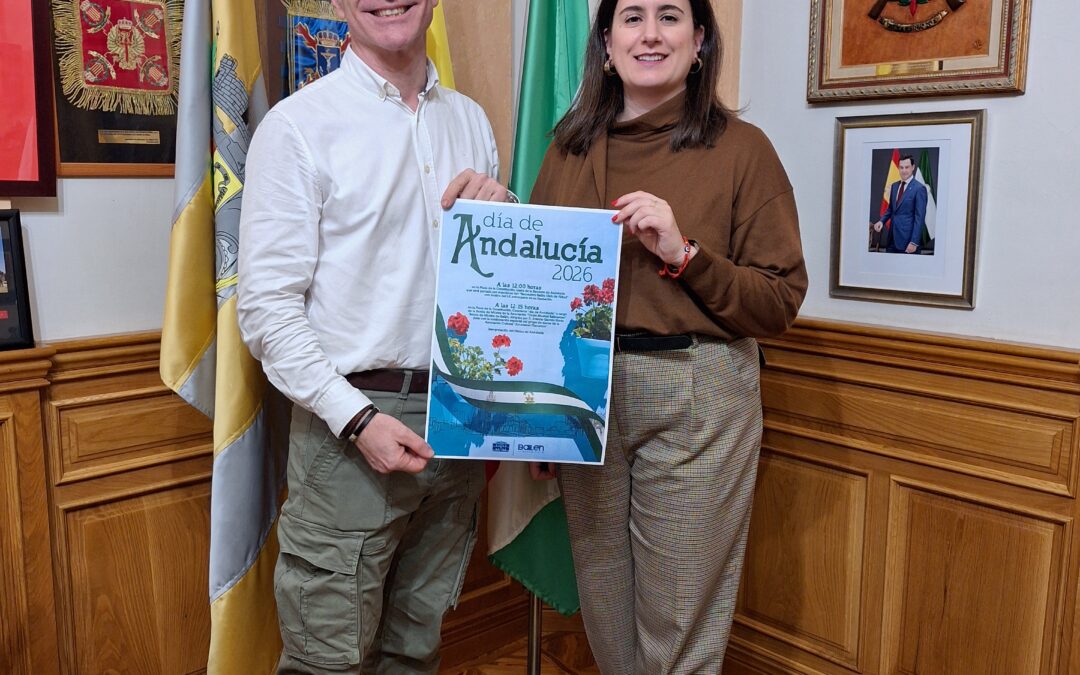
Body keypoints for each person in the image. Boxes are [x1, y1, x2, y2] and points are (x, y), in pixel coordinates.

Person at [526, 0, 807, 672]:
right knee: (606, 616)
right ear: (606, 41)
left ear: (700, 39)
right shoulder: (568, 147)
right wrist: (535, 416)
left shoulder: (742, 150)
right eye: (632, 17)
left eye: (670, 16)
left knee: (677, 627)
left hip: (694, 392)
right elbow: (538, 290)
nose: (650, 34)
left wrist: (686, 254)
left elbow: (779, 299)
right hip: (585, 396)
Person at [236, 1, 510, 672]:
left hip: (460, 417)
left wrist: (505, 217)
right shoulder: (298, 127)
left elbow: (495, 290)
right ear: (334, 3)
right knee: (326, 659)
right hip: (349, 430)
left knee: (415, 649)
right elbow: (267, 309)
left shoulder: (470, 121)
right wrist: (358, 421)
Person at [871, 154, 928, 254]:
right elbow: (891, 209)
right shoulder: (894, 186)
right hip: (891, 239)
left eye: (907, 167)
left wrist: (914, 242)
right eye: (901, 167)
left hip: (908, 242)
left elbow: (920, 218)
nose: (904, 170)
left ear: (913, 168)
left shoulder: (919, 189)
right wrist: (882, 221)